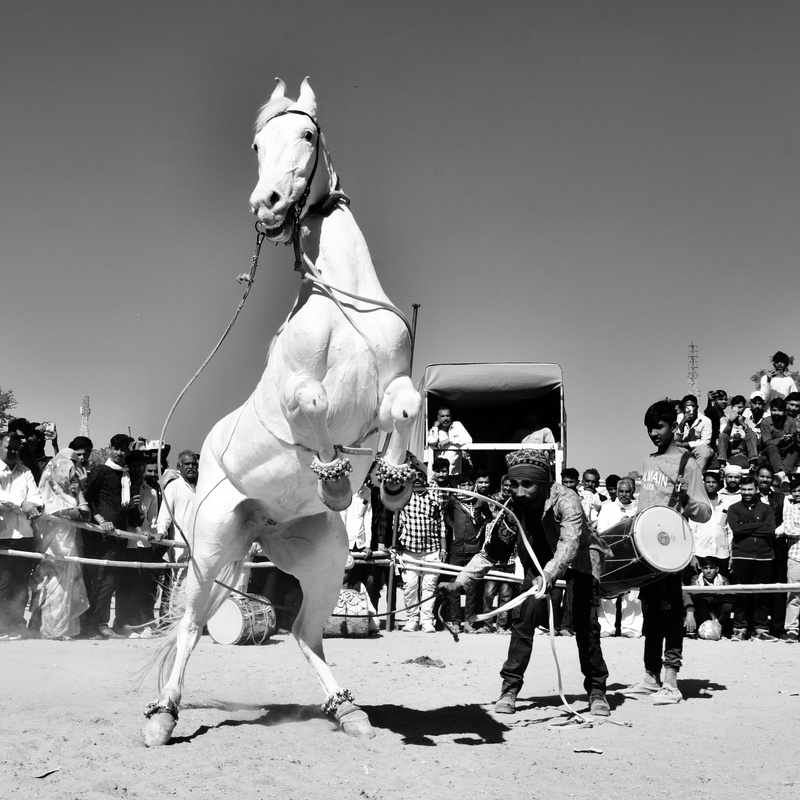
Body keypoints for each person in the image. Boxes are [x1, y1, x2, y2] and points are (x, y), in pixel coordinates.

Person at [438, 449, 611, 718]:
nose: (519, 492)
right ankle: (509, 688)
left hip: (581, 561)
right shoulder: (512, 508)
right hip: (537, 562)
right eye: (514, 484)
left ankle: (597, 690)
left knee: (585, 624)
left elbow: (570, 544)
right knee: (523, 620)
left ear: (543, 483)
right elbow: (491, 551)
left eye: (527, 484)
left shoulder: (568, 500)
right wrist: (459, 583)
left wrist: (549, 575)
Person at [624, 400, 711, 705]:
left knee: (671, 614)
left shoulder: (687, 463)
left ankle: (671, 680)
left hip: (671, 550)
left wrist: (688, 501)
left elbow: (705, 512)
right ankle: (651, 676)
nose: (653, 433)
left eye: (658, 427)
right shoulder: (647, 462)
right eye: (649, 428)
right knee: (650, 613)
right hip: (645, 552)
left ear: (674, 427)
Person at [28, 449, 90, 639]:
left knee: (66, 589)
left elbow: (85, 514)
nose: (71, 476)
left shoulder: (68, 493)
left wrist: (79, 491)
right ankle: (47, 629)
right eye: (69, 471)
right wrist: (74, 503)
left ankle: (62, 629)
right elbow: (80, 513)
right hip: (52, 548)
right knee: (51, 588)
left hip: (68, 547)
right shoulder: (47, 494)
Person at [82, 433, 134, 639]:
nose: (120, 453)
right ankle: (92, 625)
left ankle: (100, 624)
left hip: (119, 536)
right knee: (101, 580)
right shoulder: (101, 471)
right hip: (101, 537)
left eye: (123, 449)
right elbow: (88, 499)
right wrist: (101, 520)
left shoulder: (126, 475)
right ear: (110, 449)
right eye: (116, 448)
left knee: (111, 581)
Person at [0, 432, 44, 640]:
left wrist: (29, 505)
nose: (13, 451)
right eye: (8, 447)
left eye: (16, 448)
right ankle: (1, 627)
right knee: (3, 583)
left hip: (25, 535)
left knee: (20, 584)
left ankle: (16, 624)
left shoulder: (25, 472)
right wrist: (21, 504)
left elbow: (36, 499)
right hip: (2, 535)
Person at [115, 449, 160, 638]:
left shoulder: (151, 492)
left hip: (144, 545)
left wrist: (152, 535)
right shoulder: (122, 487)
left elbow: (153, 519)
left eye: (140, 466)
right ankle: (123, 623)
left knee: (143, 585)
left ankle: (142, 623)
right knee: (126, 585)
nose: (137, 469)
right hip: (127, 543)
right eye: (133, 466)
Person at [727, 472, 776, 641]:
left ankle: (761, 629)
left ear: (756, 490)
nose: (747, 492)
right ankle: (740, 629)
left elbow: (770, 531)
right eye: (744, 489)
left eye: (750, 489)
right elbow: (737, 530)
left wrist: (746, 527)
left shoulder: (766, 508)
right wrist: (760, 525)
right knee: (741, 594)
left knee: (761, 595)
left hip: (764, 557)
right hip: (742, 556)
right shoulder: (734, 508)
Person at [397, 464, 446, 633]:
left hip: (432, 550)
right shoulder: (404, 497)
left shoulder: (434, 496)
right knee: (410, 586)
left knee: (429, 588)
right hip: (409, 551)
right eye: (414, 476)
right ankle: (412, 619)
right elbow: (397, 524)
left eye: (421, 476)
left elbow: (441, 524)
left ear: (426, 479)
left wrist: (443, 549)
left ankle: (426, 620)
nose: (418, 479)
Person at [442, 473, 492, 633]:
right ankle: (456, 622)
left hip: (473, 548)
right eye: (463, 485)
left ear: (474, 485)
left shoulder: (479, 500)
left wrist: (480, 529)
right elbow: (445, 514)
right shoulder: (454, 500)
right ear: (458, 486)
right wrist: (454, 528)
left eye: (469, 484)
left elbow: (489, 517)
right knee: (454, 586)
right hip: (456, 549)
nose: (466, 488)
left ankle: (468, 622)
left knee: (471, 589)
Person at [155, 449, 199, 621]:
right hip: (180, 546)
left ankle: (194, 620)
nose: (191, 467)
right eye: (187, 464)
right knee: (178, 584)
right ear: (178, 466)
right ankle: (173, 621)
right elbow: (165, 514)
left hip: (201, 545)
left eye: (194, 464)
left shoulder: (203, 486)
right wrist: (161, 532)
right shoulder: (174, 487)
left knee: (198, 585)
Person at [596, 476, 642, 638]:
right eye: (620, 491)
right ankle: (606, 627)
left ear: (632, 491)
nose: (623, 494)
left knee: (633, 595)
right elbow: (600, 531)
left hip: (633, 557)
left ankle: (631, 628)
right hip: (612, 556)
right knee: (609, 594)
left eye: (627, 491)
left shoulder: (639, 508)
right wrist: (620, 526)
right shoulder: (607, 508)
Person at [689, 471, 731, 576]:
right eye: (708, 482)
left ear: (719, 484)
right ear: (703, 483)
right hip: (701, 553)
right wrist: (692, 555)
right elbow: (691, 531)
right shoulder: (696, 503)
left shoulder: (727, 504)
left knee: (722, 583)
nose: (711, 485)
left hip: (722, 553)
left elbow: (730, 532)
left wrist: (731, 554)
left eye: (714, 482)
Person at [684, 557, 732, 640]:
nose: (708, 571)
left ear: (717, 569)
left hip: (717, 606)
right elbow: (694, 595)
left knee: (727, 606)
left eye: (711, 568)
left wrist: (709, 596)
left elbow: (730, 596)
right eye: (705, 568)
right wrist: (716, 595)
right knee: (701, 602)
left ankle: (717, 629)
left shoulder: (723, 580)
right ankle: (700, 630)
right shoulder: (695, 579)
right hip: (701, 608)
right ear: (701, 569)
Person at [759, 397, 799, 485]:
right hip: (770, 450)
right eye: (774, 410)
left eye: (780, 410)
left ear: (785, 411)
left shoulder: (790, 420)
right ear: (770, 410)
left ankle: (781, 474)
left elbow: (794, 436)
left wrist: (790, 438)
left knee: (796, 447)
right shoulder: (765, 422)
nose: (777, 413)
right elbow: (767, 442)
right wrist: (780, 440)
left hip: (786, 448)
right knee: (772, 447)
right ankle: (780, 472)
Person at [717, 395, 759, 470]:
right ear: (732, 407)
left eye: (740, 407)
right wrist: (730, 422)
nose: (738, 410)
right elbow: (724, 434)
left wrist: (743, 424)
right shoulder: (724, 419)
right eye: (736, 407)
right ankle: (722, 467)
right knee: (722, 436)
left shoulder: (747, 420)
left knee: (751, 434)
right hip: (729, 446)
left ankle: (752, 465)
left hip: (743, 446)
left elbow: (754, 436)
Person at [781, 477, 800, 642]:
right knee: (793, 595)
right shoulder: (790, 509)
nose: (797, 494)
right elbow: (788, 529)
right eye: (794, 491)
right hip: (795, 557)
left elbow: (795, 530)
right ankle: (792, 630)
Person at [427, 407, 473, 474]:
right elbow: (432, 441)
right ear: (438, 418)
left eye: (447, 416)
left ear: (451, 417)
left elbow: (469, 440)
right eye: (442, 416)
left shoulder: (457, 425)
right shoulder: (434, 431)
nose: (445, 418)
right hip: (441, 473)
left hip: (455, 472)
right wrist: (435, 427)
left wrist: (450, 440)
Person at [675, 395, 714, 472]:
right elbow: (676, 440)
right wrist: (682, 423)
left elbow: (706, 441)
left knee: (705, 452)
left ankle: (696, 474)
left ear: (697, 407)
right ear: (683, 408)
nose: (690, 409)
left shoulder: (706, 421)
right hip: (681, 447)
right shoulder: (678, 418)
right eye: (687, 407)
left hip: (698, 447)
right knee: (675, 453)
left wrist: (686, 444)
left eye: (693, 406)